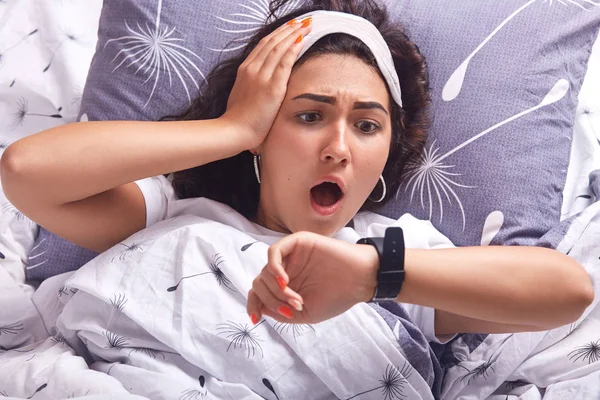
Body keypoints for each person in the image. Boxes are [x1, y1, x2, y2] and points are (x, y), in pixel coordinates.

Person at [1, 0, 592, 370]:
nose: (338, 146)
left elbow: (567, 292)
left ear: (388, 151)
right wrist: (230, 127)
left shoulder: (396, 254)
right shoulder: (175, 213)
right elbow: (26, 172)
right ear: (263, 131)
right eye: (309, 116)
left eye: (366, 125)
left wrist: (370, 275)